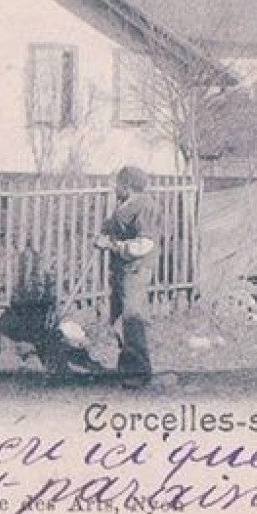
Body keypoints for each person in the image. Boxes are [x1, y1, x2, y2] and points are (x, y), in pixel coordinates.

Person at [95, 165, 159, 386]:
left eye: (117, 185)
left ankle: (139, 372)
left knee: (133, 317)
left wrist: (112, 245)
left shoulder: (144, 207)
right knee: (122, 317)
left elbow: (144, 244)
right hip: (125, 270)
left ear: (127, 186)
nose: (114, 189)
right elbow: (118, 226)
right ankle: (126, 368)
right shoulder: (127, 205)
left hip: (137, 269)